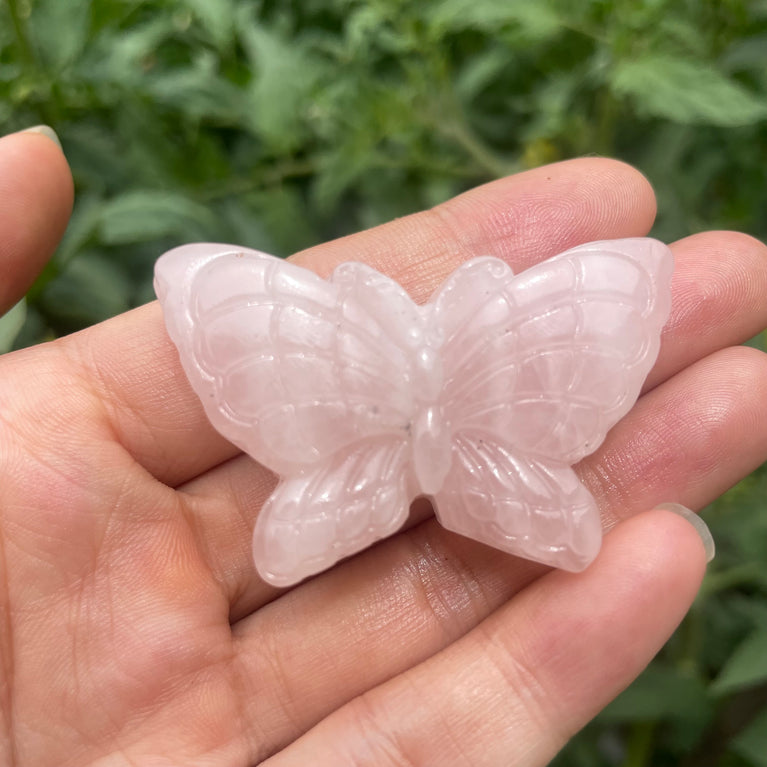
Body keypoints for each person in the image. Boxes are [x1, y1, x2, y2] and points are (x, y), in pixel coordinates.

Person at [0, 126, 765, 767]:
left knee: (565, 533)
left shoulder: (546, 303)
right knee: (316, 539)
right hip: (444, 460)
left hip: (436, 457)